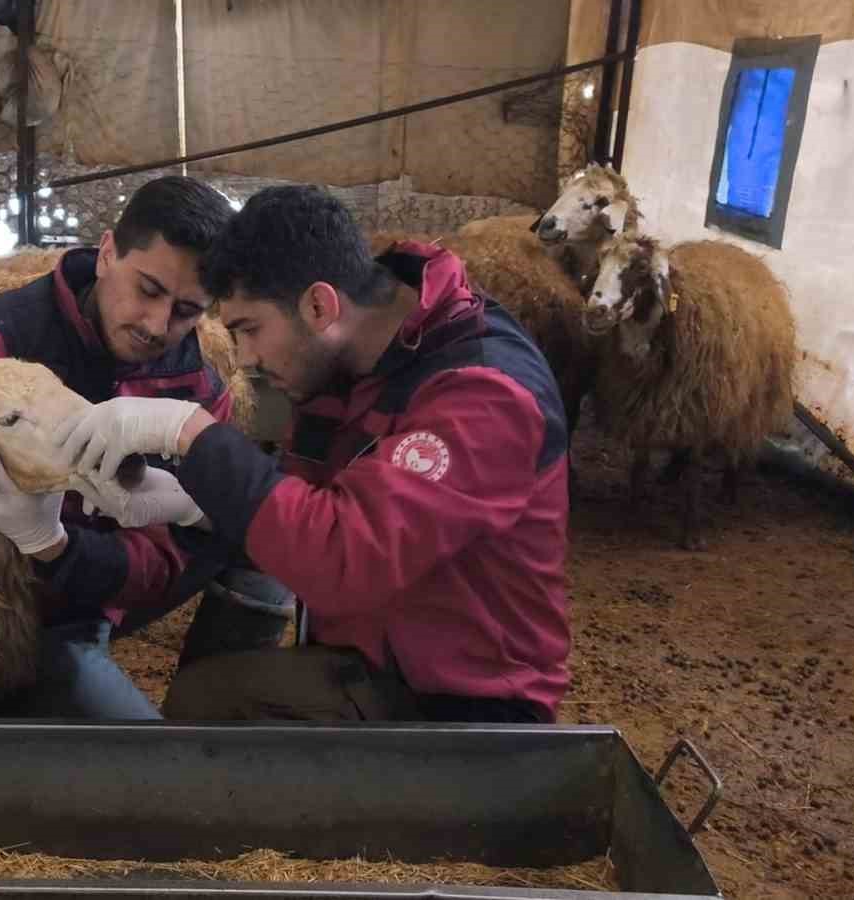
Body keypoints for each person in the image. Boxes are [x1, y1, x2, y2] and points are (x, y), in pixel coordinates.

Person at [0, 175, 293, 781]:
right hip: (13, 607)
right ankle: (53, 680)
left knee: (259, 536)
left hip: (96, 588)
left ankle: (207, 708)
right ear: (106, 254)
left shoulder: (197, 390)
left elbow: (174, 555)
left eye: (185, 311)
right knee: (149, 768)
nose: (155, 324)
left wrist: (61, 549)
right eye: (146, 289)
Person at [55, 185, 572, 725]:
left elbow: (342, 560)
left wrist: (191, 434)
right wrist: (192, 504)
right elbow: (308, 500)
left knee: (209, 708)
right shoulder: (355, 360)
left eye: (249, 329)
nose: (246, 359)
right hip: (382, 653)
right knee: (211, 698)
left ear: (320, 305)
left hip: (463, 703)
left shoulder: (484, 396)